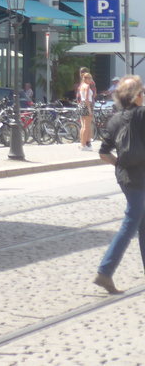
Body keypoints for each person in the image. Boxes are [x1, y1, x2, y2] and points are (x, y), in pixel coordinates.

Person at [93, 75, 145, 294]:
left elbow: (103, 152)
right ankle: (105, 271)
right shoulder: (143, 114)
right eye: (142, 92)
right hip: (141, 176)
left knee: (142, 223)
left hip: (125, 176)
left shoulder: (114, 120)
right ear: (136, 96)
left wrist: (121, 164)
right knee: (132, 222)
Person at [78, 68, 96, 150]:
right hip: (86, 105)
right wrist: (89, 109)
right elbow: (87, 98)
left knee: (83, 126)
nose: (91, 80)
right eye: (90, 78)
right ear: (86, 79)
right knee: (87, 126)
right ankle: (84, 145)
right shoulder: (87, 86)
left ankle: (82, 143)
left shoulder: (81, 86)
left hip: (81, 105)